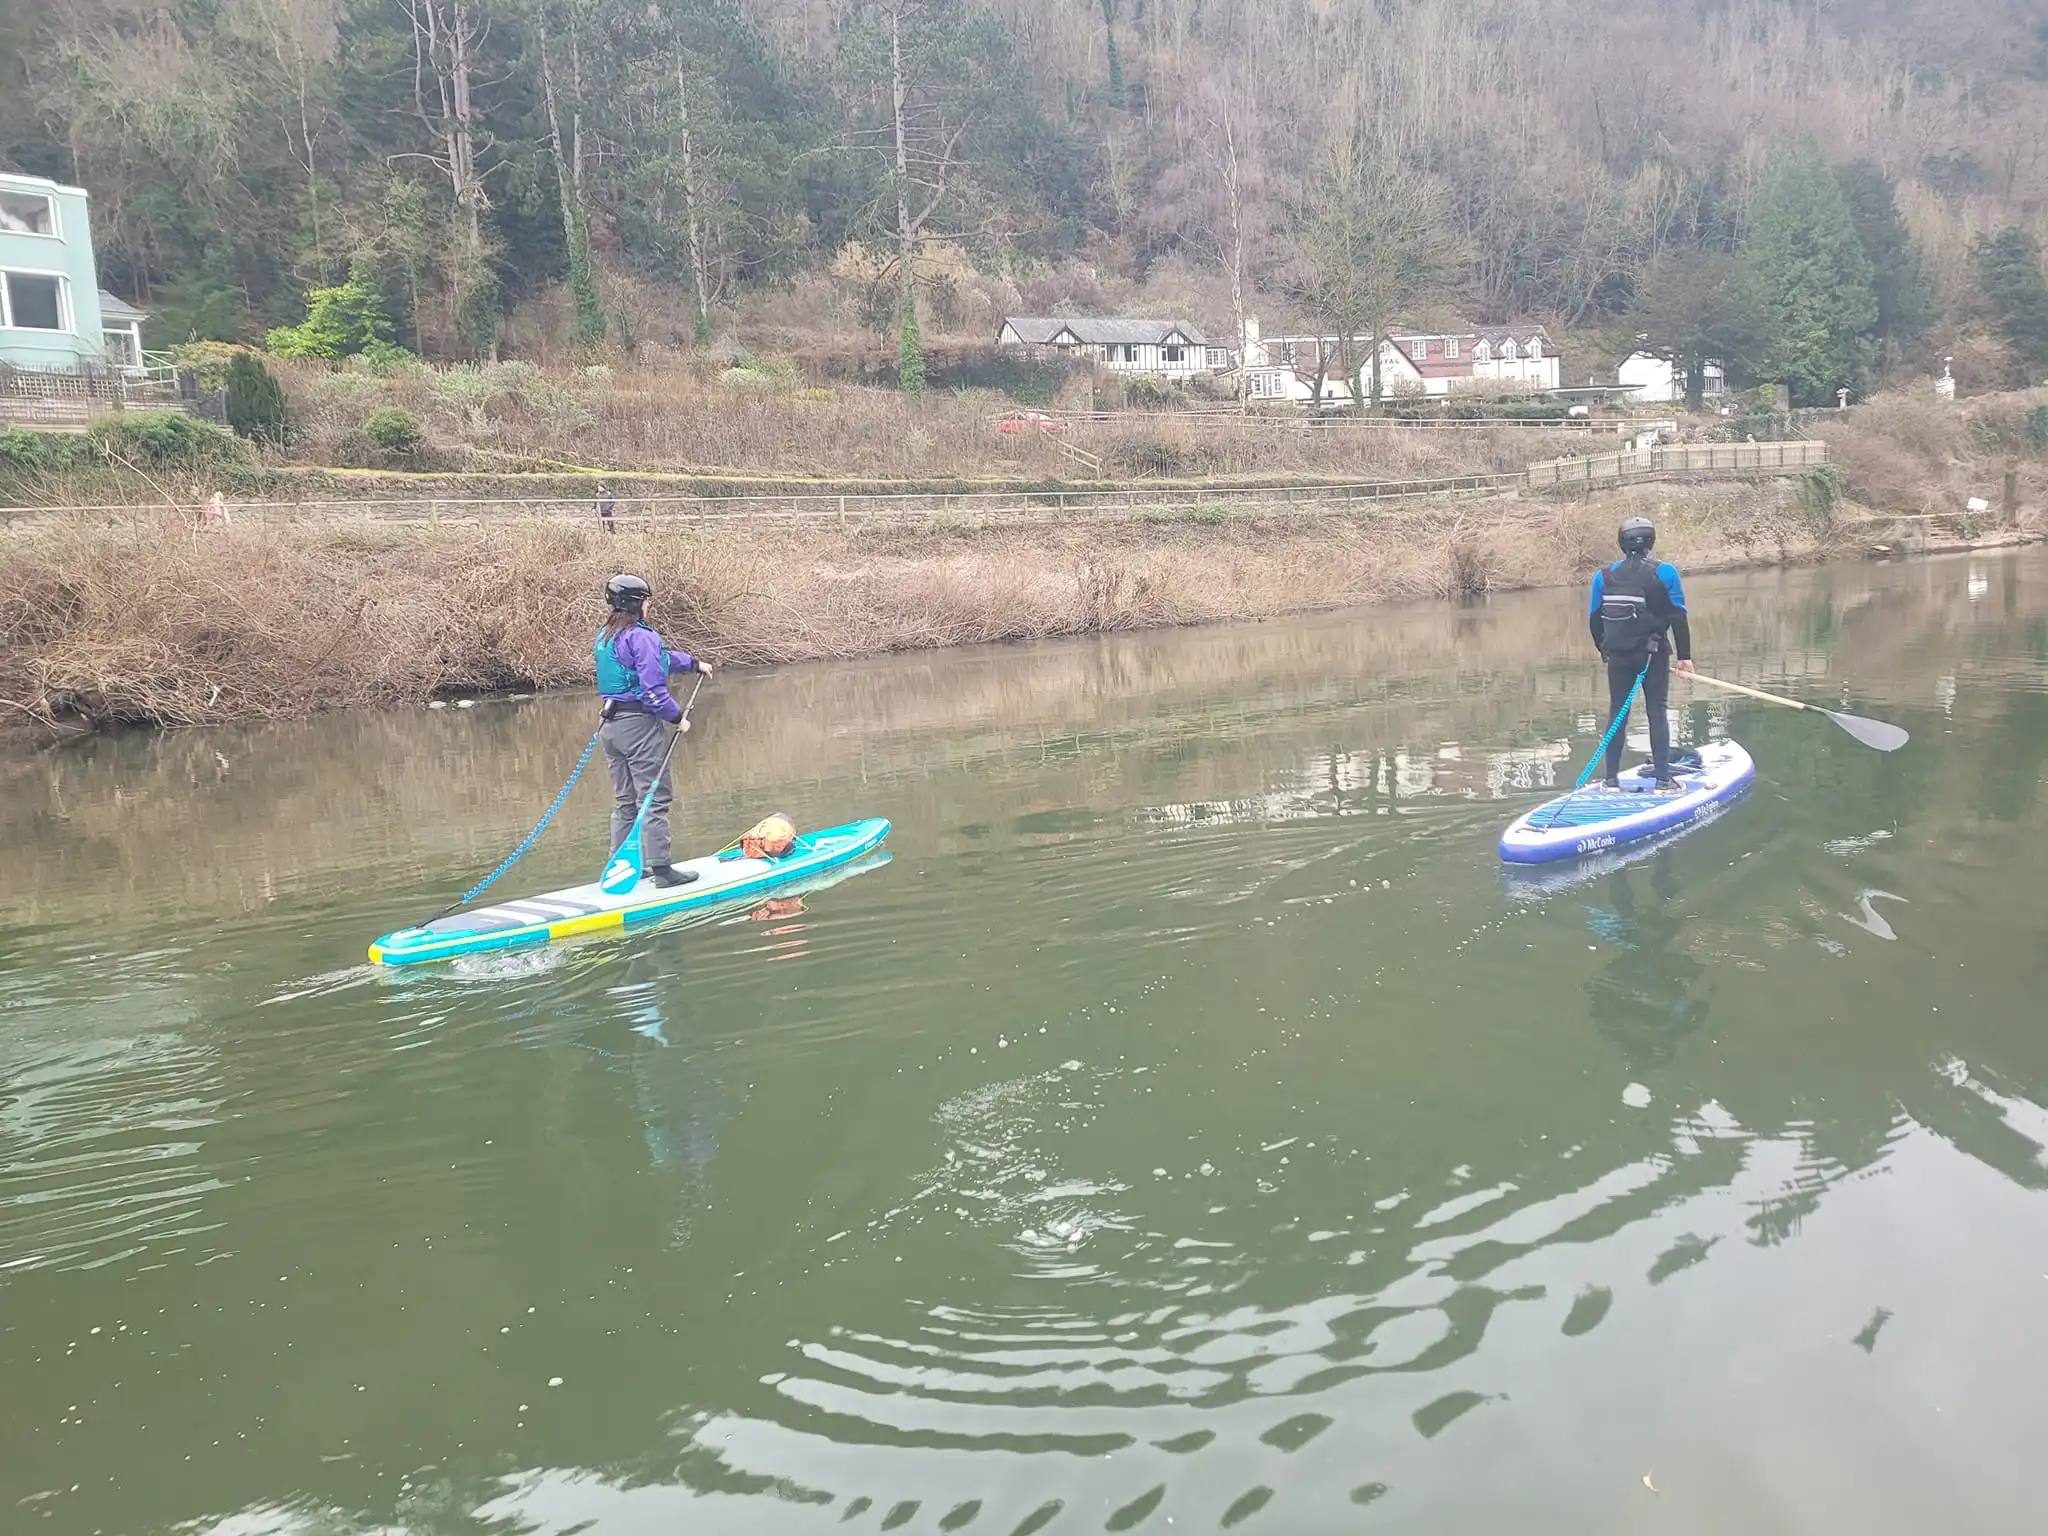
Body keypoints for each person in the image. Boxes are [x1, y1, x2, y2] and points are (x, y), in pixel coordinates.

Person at [596, 573, 712, 888]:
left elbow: (657, 660)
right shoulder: (642, 636)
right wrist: (677, 718)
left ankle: (621, 865)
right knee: (654, 796)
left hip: (610, 728)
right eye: (647, 601)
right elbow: (652, 691)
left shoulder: (607, 636)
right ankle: (661, 870)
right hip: (637, 728)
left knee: (626, 800)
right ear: (637, 604)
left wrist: (692, 663)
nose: (649, 606)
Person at [1588, 516, 1693, 790]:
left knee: (1617, 711)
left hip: (1617, 655)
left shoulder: (1604, 576)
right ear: (1651, 541)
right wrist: (1684, 657)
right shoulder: (1666, 572)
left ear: (1621, 542)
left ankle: (1610, 779)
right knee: (1656, 711)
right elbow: (1678, 617)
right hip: (1653, 654)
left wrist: (1604, 650)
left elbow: (1594, 619)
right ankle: (1662, 780)